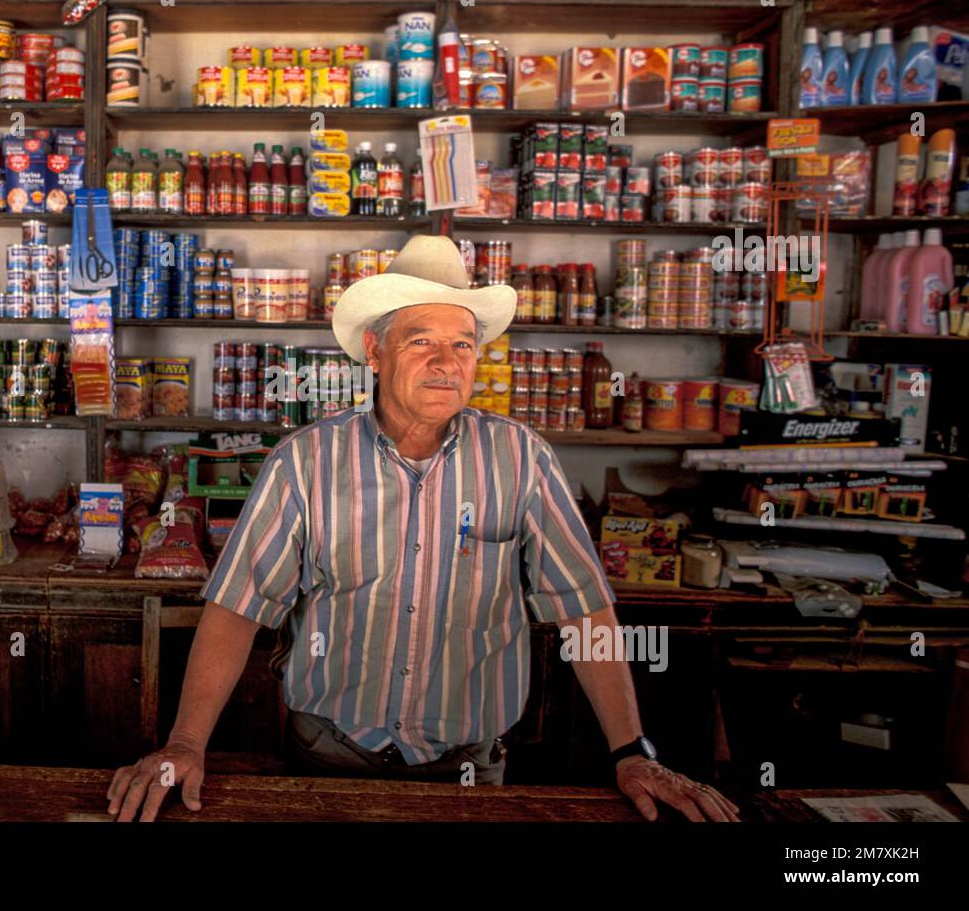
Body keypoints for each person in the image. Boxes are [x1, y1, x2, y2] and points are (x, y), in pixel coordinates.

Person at [107, 235, 739, 823]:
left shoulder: (522, 458)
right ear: (376, 353)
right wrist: (185, 743)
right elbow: (237, 607)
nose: (446, 362)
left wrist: (630, 749)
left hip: (471, 768)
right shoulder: (305, 460)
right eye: (421, 341)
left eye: (462, 344)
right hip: (330, 759)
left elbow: (583, 610)